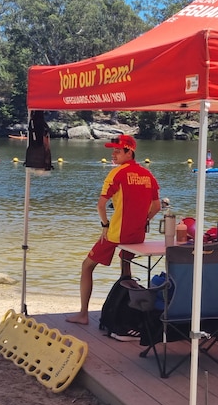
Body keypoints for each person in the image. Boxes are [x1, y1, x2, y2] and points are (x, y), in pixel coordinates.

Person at [66, 135, 161, 326]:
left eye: (118, 151)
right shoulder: (148, 175)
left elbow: (101, 205)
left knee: (87, 266)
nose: (113, 154)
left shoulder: (116, 174)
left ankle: (83, 314)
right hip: (137, 234)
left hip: (116, 232)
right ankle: (126, 313)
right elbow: (157, 206)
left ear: (129, 152)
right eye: (113, 150)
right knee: (126, 271)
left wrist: (105, 225)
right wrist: (145, 221)